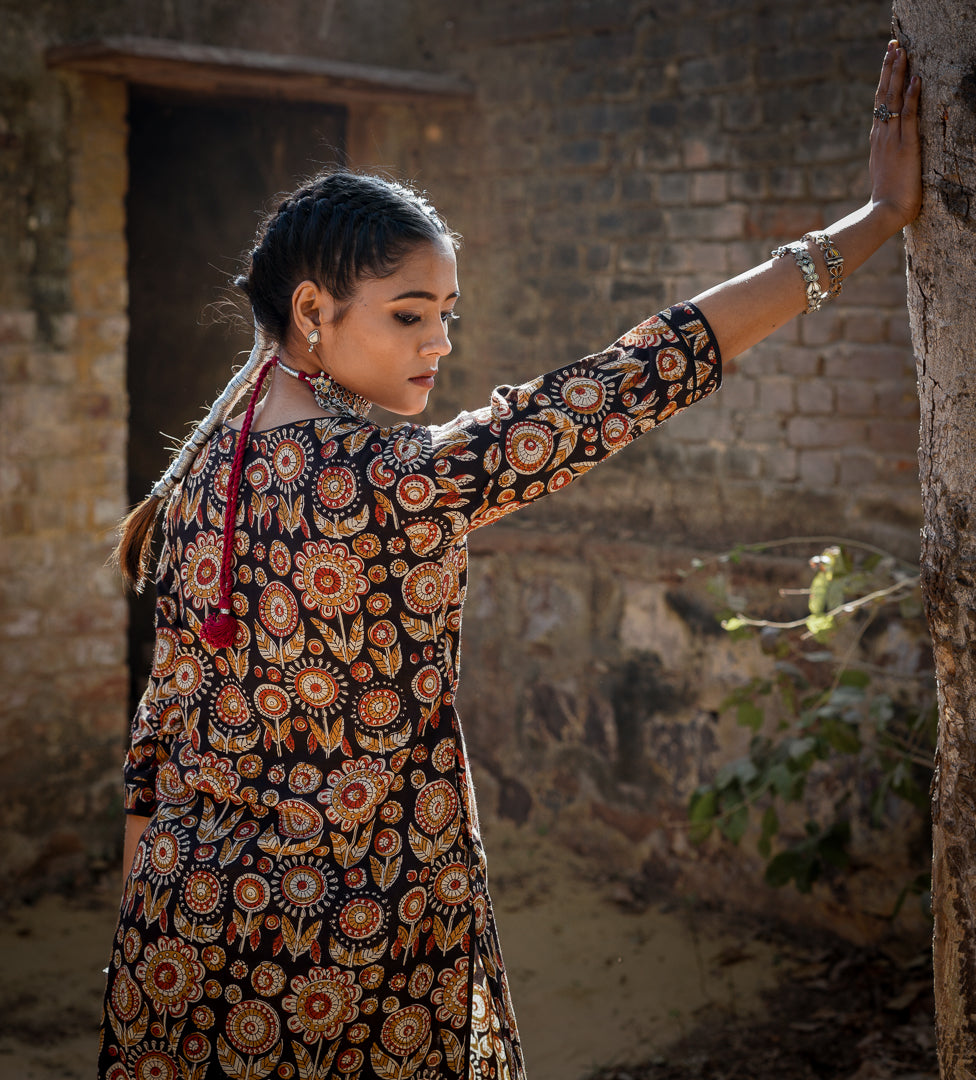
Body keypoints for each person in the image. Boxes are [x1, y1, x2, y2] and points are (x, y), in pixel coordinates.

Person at [99, 42, 921, 1080]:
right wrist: (875, 222)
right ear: (312, 312)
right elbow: (636, 377)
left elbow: (157, 733)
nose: (438, 344)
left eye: (447, 315)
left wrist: (145, 945)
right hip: (348, 951)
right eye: (408, 316)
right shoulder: (391, 479)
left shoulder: (199, 470)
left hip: (181, 933)